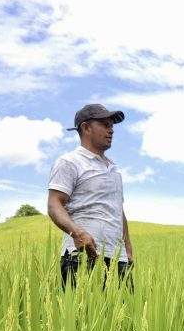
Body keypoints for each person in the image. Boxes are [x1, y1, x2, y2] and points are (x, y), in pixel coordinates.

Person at [47, 104, 134, 289]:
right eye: (105, 124)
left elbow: (119, 211)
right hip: (82, 258)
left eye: (112, 126)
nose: (111, 130)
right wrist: (76, 232)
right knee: (81, 317)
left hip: (118, 259)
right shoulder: (69, 162)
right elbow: (54, 204)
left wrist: (128, 249)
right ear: (86, 127)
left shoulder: (114, 170)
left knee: (124, 318)